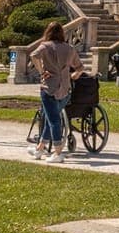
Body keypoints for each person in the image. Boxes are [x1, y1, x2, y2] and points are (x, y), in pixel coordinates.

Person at [26, 22, 82, 163]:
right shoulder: (70, 48)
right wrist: (75, 74)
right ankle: (39, 149)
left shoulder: (45, 46)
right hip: (65, 88)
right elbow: (79, 67)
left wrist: (41, 71)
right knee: (51, 119)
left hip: (49, 87)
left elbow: (33, 55)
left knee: (54, 120)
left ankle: (58, 152)